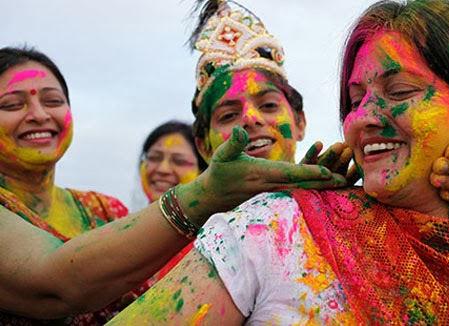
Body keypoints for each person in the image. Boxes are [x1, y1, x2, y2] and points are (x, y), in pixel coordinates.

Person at [110, 0, 449, 324]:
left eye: (401, 91)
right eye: (355, 98)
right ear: (202, 143)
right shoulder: (276, 229)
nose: (364, 117)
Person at [0, 46, 345, 324]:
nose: (39, 115)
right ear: (204, 146)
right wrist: (207, 196)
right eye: (12, 105)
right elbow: (57, 285)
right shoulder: (197, 243)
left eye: (53, 101)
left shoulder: (104, 211)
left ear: (300, 121)